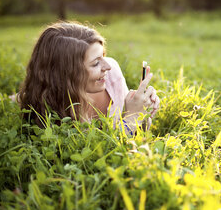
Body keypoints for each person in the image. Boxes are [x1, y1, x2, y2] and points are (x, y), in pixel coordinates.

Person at [18, 22, 159, 134]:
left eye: (103, 56)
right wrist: (132, 117)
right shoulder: (55, 110)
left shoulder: (111, 74)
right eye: (96, 63)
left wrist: (142, 111)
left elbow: (133, 133)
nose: (107, 66)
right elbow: (100, 155)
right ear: (68, 74)